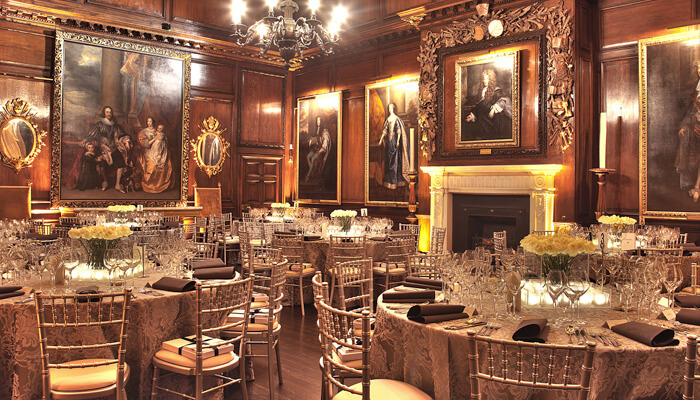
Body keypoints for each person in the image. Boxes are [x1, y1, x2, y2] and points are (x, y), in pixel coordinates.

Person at [462, 68, 513, 141]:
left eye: (487, 79)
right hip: (481, 120)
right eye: (483, 79)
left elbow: (504, 99)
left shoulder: (497, 91)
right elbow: (479, 106)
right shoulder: (482, 91)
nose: (485, 81)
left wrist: (494, 109)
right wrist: (472, 115)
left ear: (491, 79)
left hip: (491, 121)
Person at [675, 61, 700, 201]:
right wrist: (683, 126)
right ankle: (694, 186)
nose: (699, 72)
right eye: (698, 69)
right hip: (695, 129)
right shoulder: (696, 92)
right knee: (691, 153)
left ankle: (697, 186)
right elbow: (691, 111)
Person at [86, 106, 126, 190]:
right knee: (102, 164)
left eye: (110, 112)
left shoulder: (114, 124)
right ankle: (105, 181)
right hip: (102, 148)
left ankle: (117, 184)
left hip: (113, 147)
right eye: (107, 112)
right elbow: (91, 135)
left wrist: (127, 140)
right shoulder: (99, 124)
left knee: (121, 163)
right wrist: (100, 138)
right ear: (104, 113)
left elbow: (122, 134)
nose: (109, 114)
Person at [378, 103, 409, 189]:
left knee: (395, 161)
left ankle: (396, 181)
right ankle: (389, 181)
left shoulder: (396, 119)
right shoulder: (388, 119)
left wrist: (398, 141)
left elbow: (399, 130)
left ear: (394, 108)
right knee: (389, 160)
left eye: (391, 107)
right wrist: (381, 140)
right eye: (389, 107)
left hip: (394, 141)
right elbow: (385, 131)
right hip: (389, 142)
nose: (390, 109)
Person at [139, 123, 172, 193]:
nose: (158, 129)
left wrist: (158, 139)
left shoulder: (162, 136)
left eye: (160, 128)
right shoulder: (154, 134)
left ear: (162, 130)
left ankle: (158, 185)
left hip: (160, 151)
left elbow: (163, 143)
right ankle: (149, 185)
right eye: (158, 128)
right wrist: (154, 138)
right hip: (153, 150)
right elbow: (149, 143)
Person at [305, 116, 331, 183]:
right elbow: (316, 139)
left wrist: (321, 149)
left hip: (320, 150)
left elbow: (325, 144)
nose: (318, 122)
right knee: (308, 156)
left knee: (313, 158)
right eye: (317, 121)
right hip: (315, 148)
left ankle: (308, 175)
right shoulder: (317, 129)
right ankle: (312, 172)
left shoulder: (325, 132)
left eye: (319, 120)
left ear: (322, 121)